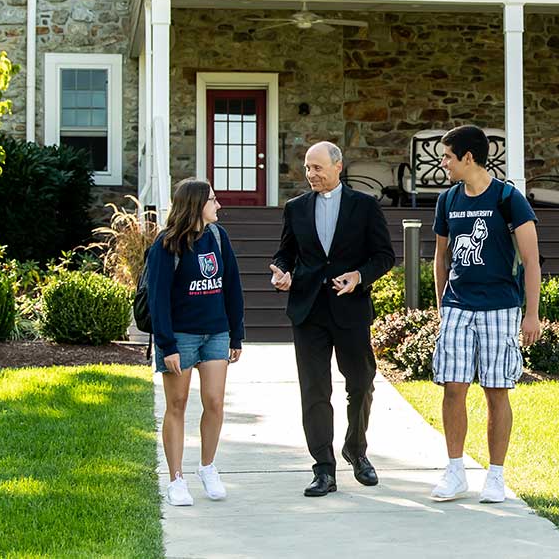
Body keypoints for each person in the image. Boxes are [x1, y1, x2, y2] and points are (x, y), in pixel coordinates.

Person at [269, 141, 395, 497]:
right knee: (314, 390)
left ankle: (356, 450)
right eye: (308, 168)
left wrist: (359, 276)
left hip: (350, 310)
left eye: (318, 168)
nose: (311, 174)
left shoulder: (365, 206)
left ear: (338, 166)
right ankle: (323, 468)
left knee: (361, 382)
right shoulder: (295, 208)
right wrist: (281, 271)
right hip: (307, 310)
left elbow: (384, 256)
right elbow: (286, 252)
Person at [429, 125, 541, 503]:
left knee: (496, 391)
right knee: (452, 388)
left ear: (468, 157)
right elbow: (441, 257)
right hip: (458, 307)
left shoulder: (509, 198)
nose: (443, 163)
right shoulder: (447, 200)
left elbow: (531, 260)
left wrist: (531, 315)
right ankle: (455, 470)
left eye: (447, 156)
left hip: (501, 308)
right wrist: (442, 306)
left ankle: (495, 476)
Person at [147, 178, 245, 507]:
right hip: (181, 337)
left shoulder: (218, 237)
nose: (218, 206)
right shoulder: (166, 244)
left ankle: (207, 467)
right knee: (176, 406)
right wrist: (166, 345)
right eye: (213, 201)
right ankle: (176, 479)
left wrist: (236, 333)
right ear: (196, 205)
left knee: (215, 402)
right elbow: (158, 299)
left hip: (216, 333)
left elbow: (232, 287)